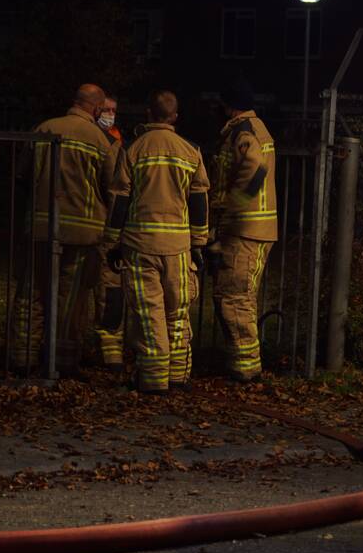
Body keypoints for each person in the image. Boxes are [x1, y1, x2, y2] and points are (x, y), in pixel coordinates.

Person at [104, 90, 209, 395]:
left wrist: (113, 242)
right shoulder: (191, 151)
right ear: (175, 117)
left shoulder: (134, 149)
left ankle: (152, 381)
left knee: (150, 315)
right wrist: (198, 243)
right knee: (177, 313)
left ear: (149, 114)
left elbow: (120, 199)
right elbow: (200, 199)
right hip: (179, 248)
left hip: (140, 247)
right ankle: (178, 377)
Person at [11, 84, 112, 373]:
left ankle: (22, 357)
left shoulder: (44, 128)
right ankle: (62, 362)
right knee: (71, 300)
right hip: (84, 234)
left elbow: (22, 176)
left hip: (41, 227)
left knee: (31, 294)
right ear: (96, 109)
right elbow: (112, 188)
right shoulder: (100, 140)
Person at [208, 76, 277, 382]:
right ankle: (242, 367)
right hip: (253, 228)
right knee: (237, 296)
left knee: (234, 298)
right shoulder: (255, 128)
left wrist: (233, 207)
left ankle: (246, 371)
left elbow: (255, 169)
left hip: (245, 230)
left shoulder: (243, 132)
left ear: (229, 106)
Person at [93, 97, 126, 366]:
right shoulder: (103, 142)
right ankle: (109, 350)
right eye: (106, 110)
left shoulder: (116, 141)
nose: (111, 115)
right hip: (101, 224)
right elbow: (116, 191)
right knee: (107, 287)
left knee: (109, 290)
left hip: (99, 224)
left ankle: (109, 351)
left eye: (114, 110)